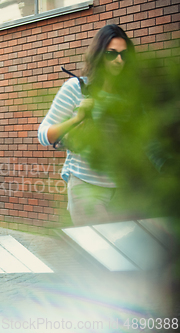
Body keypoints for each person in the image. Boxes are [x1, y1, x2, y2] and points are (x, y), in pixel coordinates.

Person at [37, 24, 136, 225]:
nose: (119, 60)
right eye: (112, 54)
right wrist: (76, 119)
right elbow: (43, 134)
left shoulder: (128, 95)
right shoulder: (77, 88)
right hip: (86, 188)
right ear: (99, 55)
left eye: (124, 55)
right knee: (100, 252)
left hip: (122, 191)